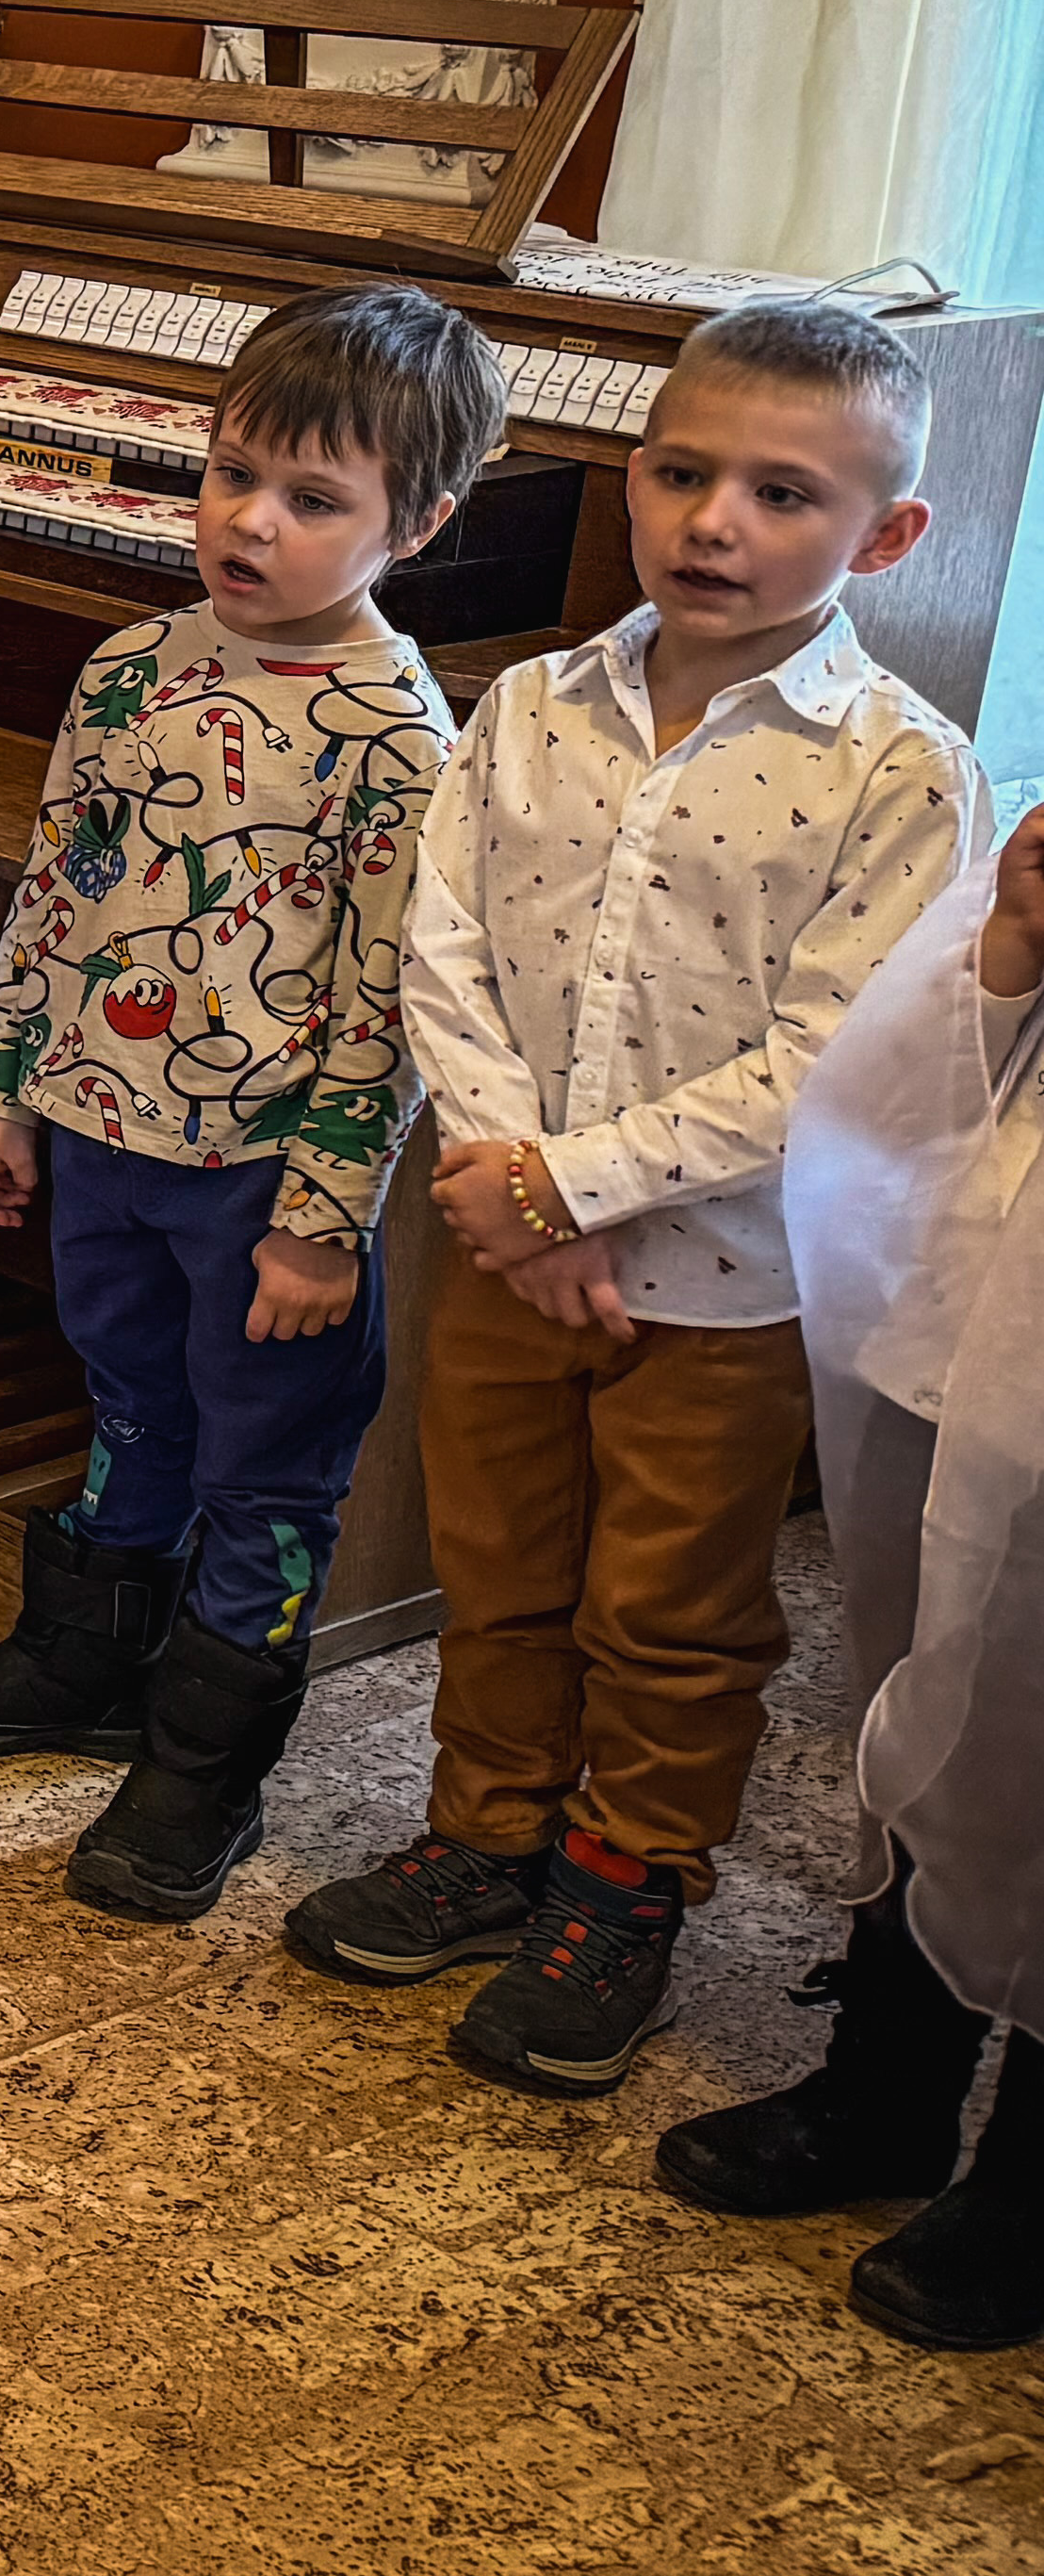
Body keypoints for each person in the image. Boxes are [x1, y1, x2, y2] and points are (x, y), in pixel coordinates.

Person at [284, 297, 976, 2098]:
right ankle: (487, 1828)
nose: (713, 522)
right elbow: (442, 946)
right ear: (629, 471)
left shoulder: (899, 767)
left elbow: (835, 1049)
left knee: (668, 1602)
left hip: (729, 1279)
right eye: (681, 471)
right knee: (496, 1556)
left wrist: (569, 1182)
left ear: (883, 534)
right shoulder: (526, 703)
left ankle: (627, 1877)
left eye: (780, 492)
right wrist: (509, 1185)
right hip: (507, 1251)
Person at [0, 287, 504, 1911]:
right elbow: (58, 904)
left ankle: (202, 1762)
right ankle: (81, 1659)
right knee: (128, 1401)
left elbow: (386, 1006)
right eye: (231, 472)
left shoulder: (395, 737)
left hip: (259, 1182)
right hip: (100, 1126)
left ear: (419, 520)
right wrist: (7, 1099)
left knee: (263, 1467)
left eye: (313, 500)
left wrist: (318, 1224)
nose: (249, 519)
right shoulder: (129, 667)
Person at [747, 791, 1044, 2352]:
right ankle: (884, 2085)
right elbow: (932, 1079)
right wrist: (1009, 938)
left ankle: (1026, 2183)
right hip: (973, 1322)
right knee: (930, 1711)